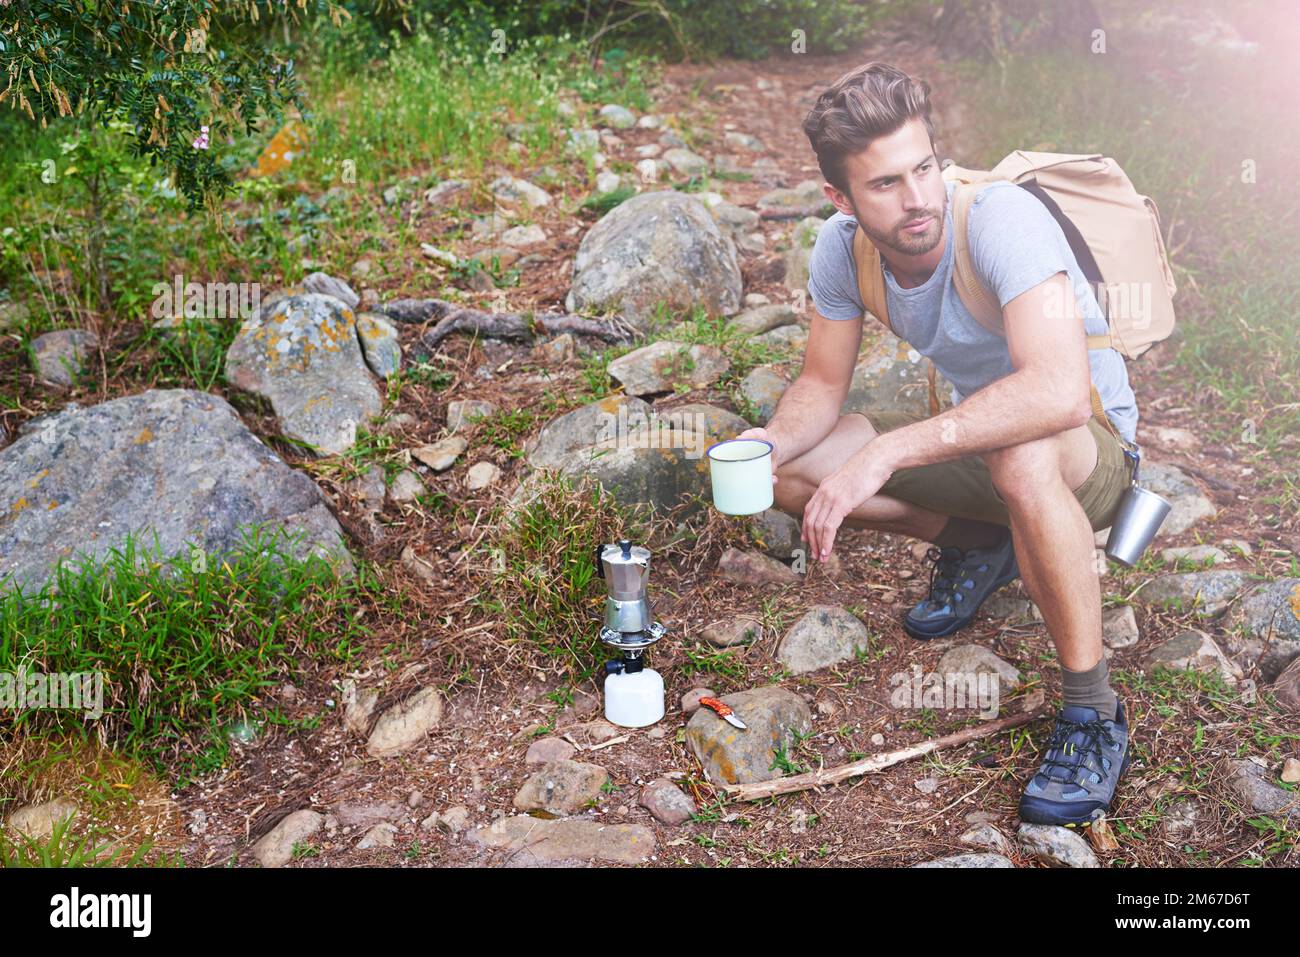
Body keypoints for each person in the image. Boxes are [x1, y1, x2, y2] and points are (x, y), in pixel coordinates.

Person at [736, 62, 1134, 826]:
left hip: (1088, 451)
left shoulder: (1000, 218)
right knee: (785, 473)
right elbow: (821, 386)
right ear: (841, 200)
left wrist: (888, 450)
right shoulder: (842, 250)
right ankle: (987, 545)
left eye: (924, 168)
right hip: (983, 451)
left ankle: (1091, 713)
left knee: (1022, 454)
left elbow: (1054, 391)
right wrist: (768, 439)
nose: (917, 198)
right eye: (885, 184)